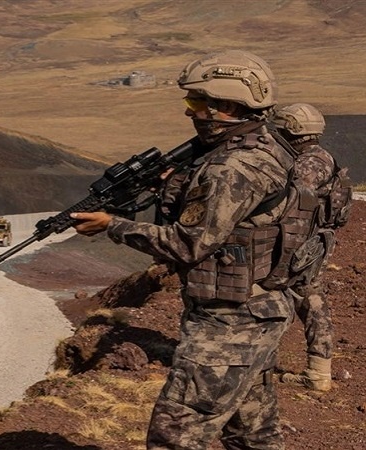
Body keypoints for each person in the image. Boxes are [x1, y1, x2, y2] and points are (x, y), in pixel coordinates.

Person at [70, 50, 301, 449]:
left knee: (175, 434)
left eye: (197, 103)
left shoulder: (231, 168)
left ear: (227, 106)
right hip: (259, 312)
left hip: (226, 325)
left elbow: (188, 243)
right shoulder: (264, 145)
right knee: (252, 434)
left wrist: (114, 225)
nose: (189, 113)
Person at [271, 103, 343, 391]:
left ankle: (256, 363)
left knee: (290, 300)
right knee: (312, 303)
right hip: (311, 244)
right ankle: (318, 373)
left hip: (299, 246)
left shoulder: (309, 164)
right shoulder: (319, 157)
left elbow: (286, 199)